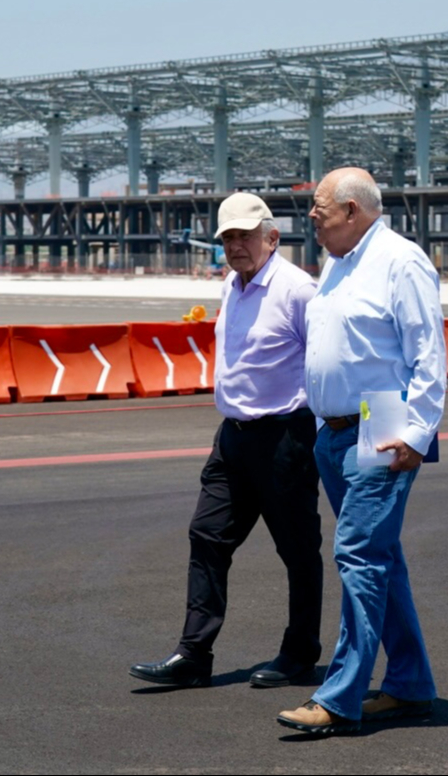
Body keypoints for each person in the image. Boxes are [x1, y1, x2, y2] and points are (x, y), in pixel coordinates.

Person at [130, 192, 324, 689]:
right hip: (232, 438)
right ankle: (194, 654)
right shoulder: (231, 287)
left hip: (284, 438)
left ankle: (299, 653)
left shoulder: (299, 290)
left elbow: (324, 367)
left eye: (245, 236)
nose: (236, 246)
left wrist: (319, 438)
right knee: (207, 537)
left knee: (297, 551)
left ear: (272, 237)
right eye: (228, 238)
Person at [277, 168, 446, 735]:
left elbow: (428, 354)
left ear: (352, 210)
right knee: (381, 558)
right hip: (336, 429)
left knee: (357, 554)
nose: (312, 219)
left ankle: (341, 695)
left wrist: (417, 433)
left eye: (319, 210)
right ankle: (410, 686)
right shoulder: (337, 263)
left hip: (385, 419)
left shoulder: (401, 261)